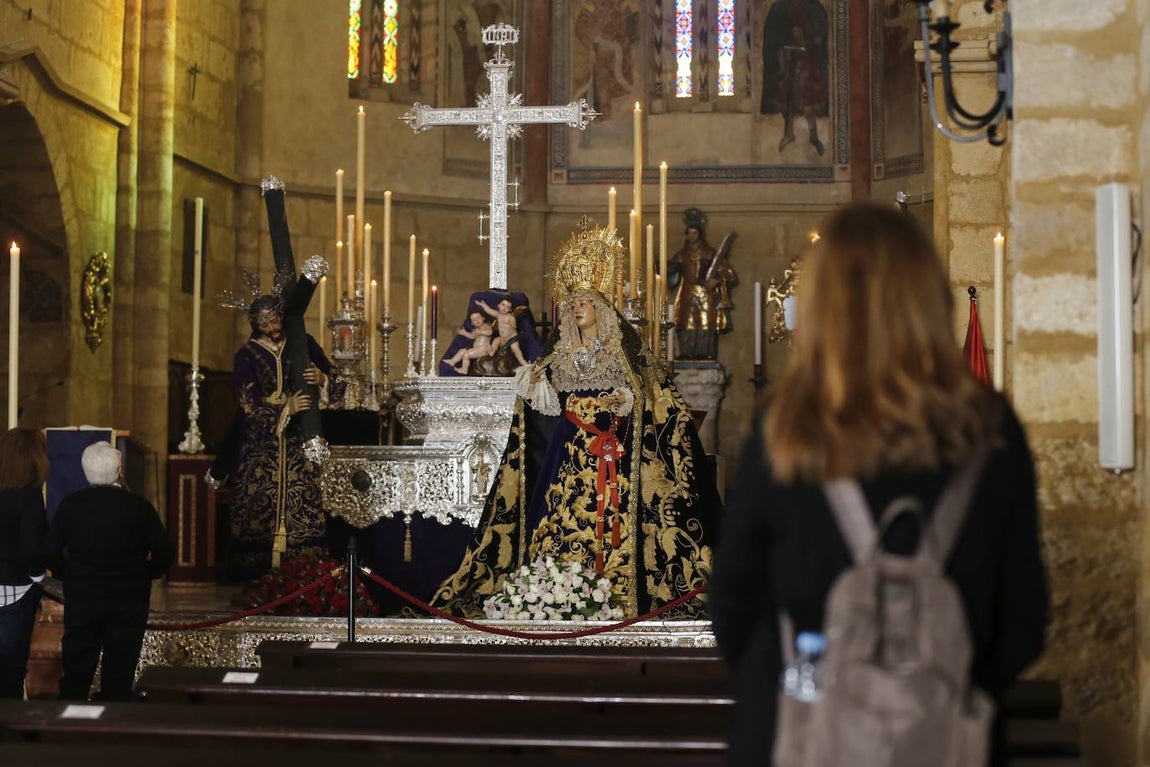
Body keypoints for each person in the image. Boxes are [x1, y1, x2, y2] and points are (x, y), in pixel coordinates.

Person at [709, 203, 1048, 766]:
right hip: (946, 737)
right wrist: (938, 685)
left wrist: (808, 682)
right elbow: (1023, 623)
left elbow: (732, 609)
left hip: (797, 735)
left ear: (819, 307)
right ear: (927, 298)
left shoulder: (785, 428)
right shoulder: (989, 426)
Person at [433, 222, 718, 619]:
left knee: (610, 523)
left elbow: (650, 397)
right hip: (567, 454)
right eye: (572, 304)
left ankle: (615, 593)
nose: (575, 308)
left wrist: (624, 399)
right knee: (554, 516)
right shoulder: (560, 356)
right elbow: (544, 408)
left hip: (611, 454)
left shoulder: (622, 353)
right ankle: (553, 590)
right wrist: (533, 385)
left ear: (600, 307)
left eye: (583, 302)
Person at [44, 441, 173, 701]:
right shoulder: (139, 507)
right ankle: (115, 729)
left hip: (83, 597)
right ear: (120, 471)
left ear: (85, 471)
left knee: (76, 672)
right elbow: (165, 554)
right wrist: (144, 573)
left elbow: (49, 553)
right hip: (128, 599)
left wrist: (70, 575)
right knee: (120, 673)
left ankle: (66, 731)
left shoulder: (71, 506)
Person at [229, 294, 340, 577]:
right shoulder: (247, 356)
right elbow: (248, 405)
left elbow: (339, 382)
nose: (270, 325)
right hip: (262, 448)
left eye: (274, 318)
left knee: (303, 501)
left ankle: (304, 572)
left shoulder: (303, 344)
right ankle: (258, 576)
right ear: (255, 323)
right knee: (258, 506)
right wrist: (285, 408)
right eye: (263, 321)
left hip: (299, 443)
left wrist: (322, 379)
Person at [0, 428, 49, 699]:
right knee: (10, 672)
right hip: (15, 592)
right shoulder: (29, 496)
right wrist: (38, 579)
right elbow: (31, 550)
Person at [761, 0, 830, 156]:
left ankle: (813, 136)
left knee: (809, 102)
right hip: (788, 61)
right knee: (788, 100)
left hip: (807, 61)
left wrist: (805, 36)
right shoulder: (780, 7)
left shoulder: (814, 7)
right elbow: (774, 36)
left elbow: (820, 34)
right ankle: (789, 134)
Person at [668, 208, 738, 360]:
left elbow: (728, 273)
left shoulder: (709, 253)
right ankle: (687, 353)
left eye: (694, 233)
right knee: (685, 324)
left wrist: (717, 280)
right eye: (689, 233)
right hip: (687, 294)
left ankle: (705, 353)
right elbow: (671, 272)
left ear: (699, 234)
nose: (691, 236)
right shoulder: (682, 254)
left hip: (706, 296)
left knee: (705, 325)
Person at [477, 296, 530, 367]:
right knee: (496, 340)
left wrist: (513, 322)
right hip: (503, 338)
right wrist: (483, 305)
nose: (504, 308)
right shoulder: (498, 315)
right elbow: (489, 310)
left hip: (512, 338)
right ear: (498, 305)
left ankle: (522, 361)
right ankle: (492, 351)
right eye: (503, 305)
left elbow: (514, 325)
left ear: (510, 309)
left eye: (507, 307)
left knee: (516, 349)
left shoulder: (510, 317)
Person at [443, 309, 495, 374]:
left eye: (478, 317)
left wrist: (480, 332)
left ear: (483, 318)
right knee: (462, 351)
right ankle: (452, 361)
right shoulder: (476, 329)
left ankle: (464, 369)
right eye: (474, 320)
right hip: (476, 349)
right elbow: (472, 336)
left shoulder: (486, 326)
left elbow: (490, 332)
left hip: (483, 350)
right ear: (472, 323)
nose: (477, 320)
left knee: (466, 355)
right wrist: (464, 333)